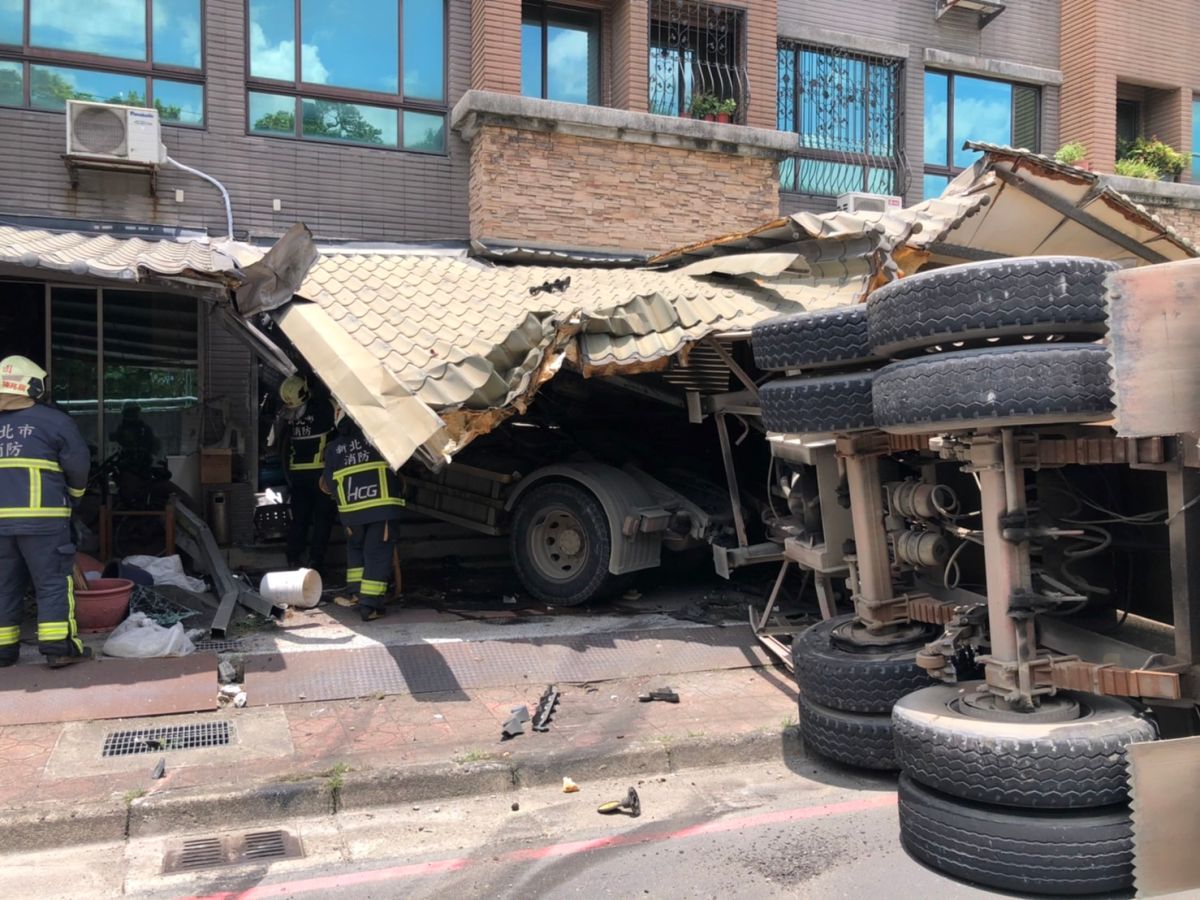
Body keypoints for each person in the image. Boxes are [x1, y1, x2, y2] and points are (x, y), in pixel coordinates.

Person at [0, 356, 91, 668]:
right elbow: (78, 467)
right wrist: (75, 498)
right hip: (44, 523)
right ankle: (58, 648)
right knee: (52, 583)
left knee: (4, 584)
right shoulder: (55, 422)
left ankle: (3, 650)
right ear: (34, 386)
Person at [321, 404, 405, 622]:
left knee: (356, 550)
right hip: (381, 510)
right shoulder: (381, 441)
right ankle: (370, 605)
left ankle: (356, 594)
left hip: (350, 515)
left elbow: (329, 484)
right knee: (376, 554)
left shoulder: (333, 449)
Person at [273, 375, 337, 574]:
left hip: (297, 476)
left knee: (300, 518)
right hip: (320, 476)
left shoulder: (290, 415)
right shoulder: (324, 409)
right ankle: (315, 561)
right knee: (322, 518)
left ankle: (293, 556)